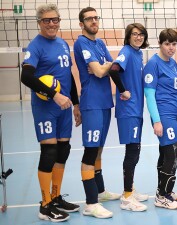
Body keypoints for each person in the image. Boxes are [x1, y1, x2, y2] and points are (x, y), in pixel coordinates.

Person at [20, 3, 80, 222]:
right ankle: (45, 205)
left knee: (63, 150)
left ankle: (55, 198)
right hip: (46, 108)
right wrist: (54, 95)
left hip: (65, 107)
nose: (52, 24)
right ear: (39, 22)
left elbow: (69, 76)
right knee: (49, 152)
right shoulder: (35, 46)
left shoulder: (63, 43)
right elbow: (26, 77)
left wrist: (76, 103)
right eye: (47, 20)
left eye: (55, 20)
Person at [73, 7, 120, 218]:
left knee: (99, 149)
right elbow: (102, 71)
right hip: (91, 103)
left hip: (104, 102)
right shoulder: (81, 42)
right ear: (81, 24)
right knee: (90, 151)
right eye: (88, 19)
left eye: (95, 17)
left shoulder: (99, 43)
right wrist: (104, 66)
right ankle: (91, 203)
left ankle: (100, 192)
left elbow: (114, 67)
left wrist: (105, 65)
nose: (93, 21)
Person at [109, 23, 150, 212]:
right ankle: (126, 197)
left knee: (136, 150)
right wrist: (123, 90)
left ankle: (130, 189)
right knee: (132, 151)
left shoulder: (138, 53)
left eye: (141, 34)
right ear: (128, 36)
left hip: (136, 109)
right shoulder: (126, 50)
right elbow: (113, 70)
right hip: (128, 110)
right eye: (134, 34)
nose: (138, 37)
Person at [143, 28, 177, 209]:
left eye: (174, 44)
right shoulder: (153, 64)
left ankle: (165, 191)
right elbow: (149, 94)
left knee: (167, 151)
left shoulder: (173, 64)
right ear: (160, 44)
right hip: (164, 114)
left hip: (176, 112)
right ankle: (162, 196)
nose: (171, 48)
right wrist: (157, 120)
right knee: (172, 152)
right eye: (167, 44)